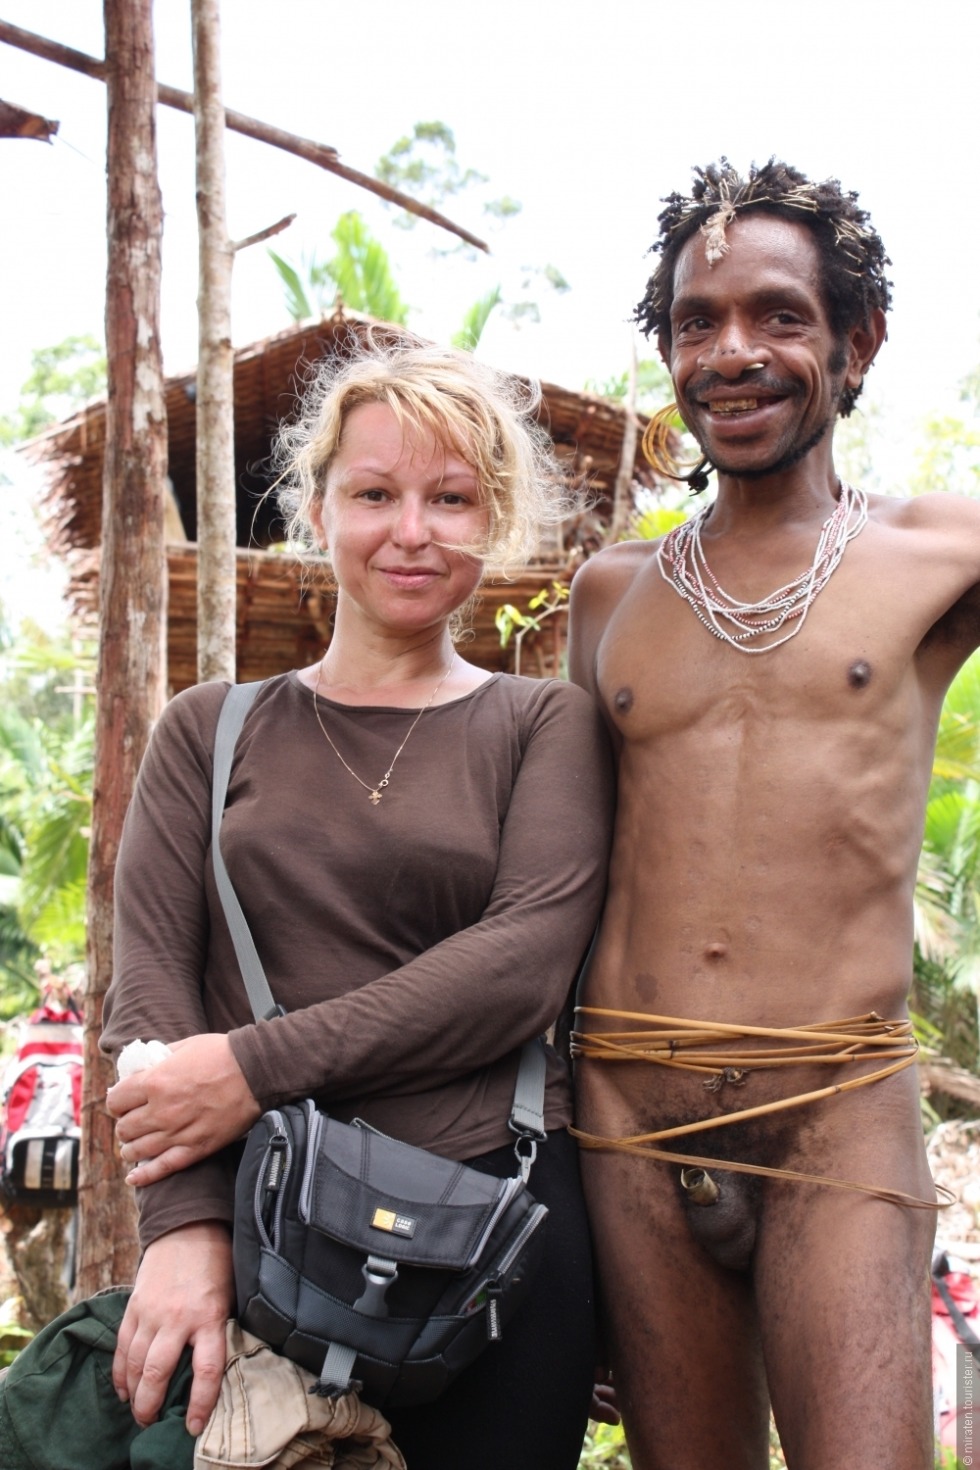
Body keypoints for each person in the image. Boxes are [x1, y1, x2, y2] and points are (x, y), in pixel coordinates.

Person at [101, 337, 614, 1469]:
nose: (412, 530)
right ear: (317, 505)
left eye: (451, 498)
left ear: (497, 521)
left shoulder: (543, 724)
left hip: (494, 1233)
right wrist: (183, 1228)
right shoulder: (211, 726)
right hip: (258, 1232)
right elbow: (145, 982)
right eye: (374, 493)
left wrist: (247, 1069)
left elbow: (518, 965)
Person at [567, 159, 976, 1470]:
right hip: (625, 1114)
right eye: (699, 322)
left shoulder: (937, 553)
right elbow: (563, 877)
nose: (733, 353)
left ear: (854, 342)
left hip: (835, 1109)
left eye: (779, 315)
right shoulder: (609, 593)